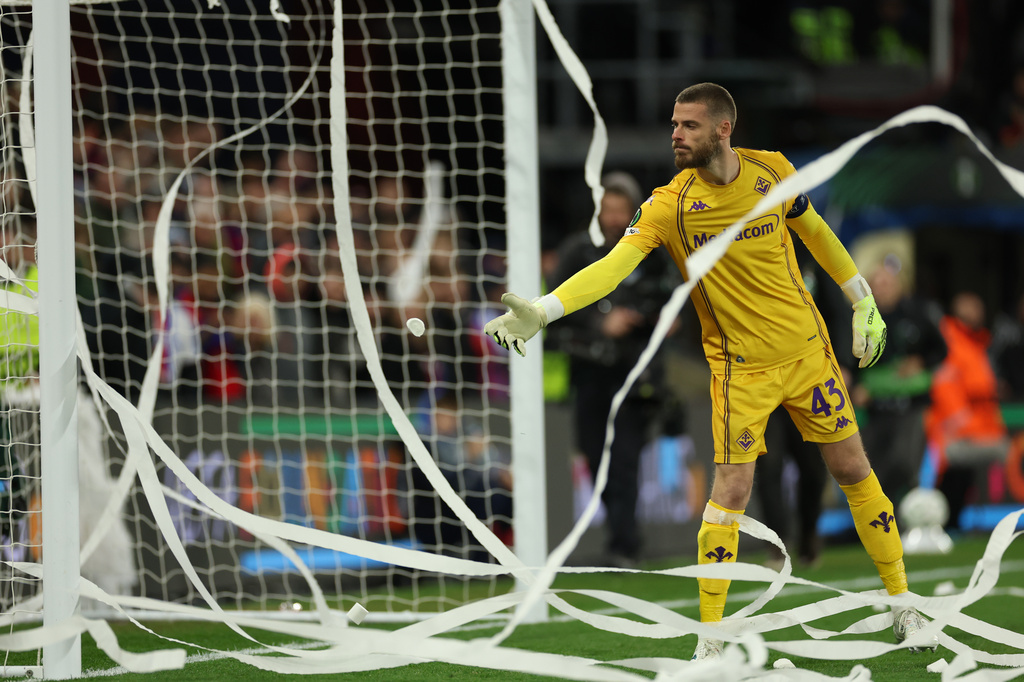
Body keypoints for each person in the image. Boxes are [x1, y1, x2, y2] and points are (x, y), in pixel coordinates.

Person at [484, 82, 936, 659]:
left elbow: (817, 233)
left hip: (808, 355)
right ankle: (712, 641)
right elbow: (613, 268)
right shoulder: (670, 204)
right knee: (733, 489)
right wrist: (545, 310)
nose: (676, 134)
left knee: (852, 467)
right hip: (740, 369)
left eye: (689, 125)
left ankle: (903, 604)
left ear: (724, 128)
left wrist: (861, 298)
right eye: (674, 124)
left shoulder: (772, 173)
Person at [544, 171, 680, 568]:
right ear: (598, 210)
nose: (615, 217)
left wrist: (664, 318)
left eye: (622, 209)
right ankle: (622, 535)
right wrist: (599, 324)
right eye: (609, 209)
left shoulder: (654, 252)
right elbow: (554, 312)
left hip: (636, 374)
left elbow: (678, 299)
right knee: (592, 454)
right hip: (590, 374)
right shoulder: (577, 252)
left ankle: (625, 543)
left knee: (624, 458)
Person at [852, 261, 946, 505]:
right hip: (875, 410)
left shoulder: (917, 313)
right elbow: (849, 361)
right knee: (873, 468)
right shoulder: (862, 319)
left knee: (904, 461)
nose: (881, 289)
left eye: (886, 283)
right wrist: (856, 386)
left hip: (911, 407)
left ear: (899, 286)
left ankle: (910, 518)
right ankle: (881, 521)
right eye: (876, 284)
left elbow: (941, 350)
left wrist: (921, 361)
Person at [926, 292, 1010, 530]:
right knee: (1005, 452)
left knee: (960, 479)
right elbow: (946, 384)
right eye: (972, 307)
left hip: (978, 427)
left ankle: (951, 523)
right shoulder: (951, 338)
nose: (978, 311)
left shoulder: (975, 341)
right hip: (957, 432)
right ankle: (945, 523)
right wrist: (962, 423)